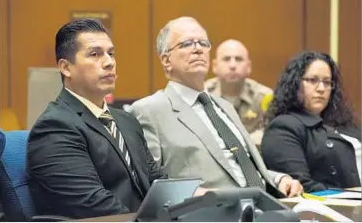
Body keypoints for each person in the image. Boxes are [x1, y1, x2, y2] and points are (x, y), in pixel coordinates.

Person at [129, 16, 303, 198]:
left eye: (203, 43)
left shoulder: (223, 106)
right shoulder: (149, 110)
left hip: (265, 204)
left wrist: (279, 180)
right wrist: (195, 194)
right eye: (187, 44)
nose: (198, 49)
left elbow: (240, 171)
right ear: (166, 60)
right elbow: (149, 184)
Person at [26, 19, 167, 219]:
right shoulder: (54, 127)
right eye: (95, 54)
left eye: (111, 53)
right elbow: (92, 204)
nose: (109, 62)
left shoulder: (126, 120)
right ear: (66, 68)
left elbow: (156, 182)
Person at [261, 51, 361, 193]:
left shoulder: (344, 124)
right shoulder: (283, 128)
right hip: (335, 209)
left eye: (327, 82)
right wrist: (352, 195)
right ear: (295, 84)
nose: (321, 89)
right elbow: (302, 186)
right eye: (313, 80)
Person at [205, 39, 273, 146]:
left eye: (239, 59)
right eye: (226, 59)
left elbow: (273, 133)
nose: (232, 65)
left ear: (249, 67)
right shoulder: (202, 95)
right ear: (214, 66)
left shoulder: (265, 97)